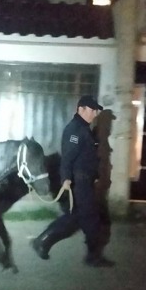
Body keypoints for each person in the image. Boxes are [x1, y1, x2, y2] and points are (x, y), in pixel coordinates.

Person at [31, 95, 115, 268]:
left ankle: (42, 242)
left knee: (75, 217)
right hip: (79, 183)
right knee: (90, 218)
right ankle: (92, 257)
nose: (95, 113)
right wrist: (66, 179)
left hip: (84, 181)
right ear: (81, 109)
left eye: (96, 110)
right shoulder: (75, 130)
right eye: (92, 110)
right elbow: (68, 156)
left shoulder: (84, 129)